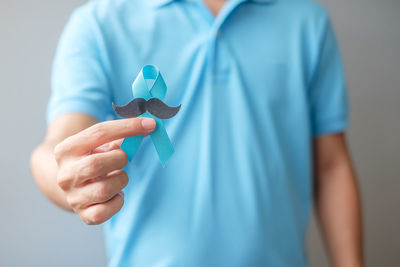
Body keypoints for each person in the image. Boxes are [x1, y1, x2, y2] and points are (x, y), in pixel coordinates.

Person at [30, 0, 363, 266]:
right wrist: (70, 177)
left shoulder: (307, 22)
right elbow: (57, 145)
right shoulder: (98, 23)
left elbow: (330, 165)